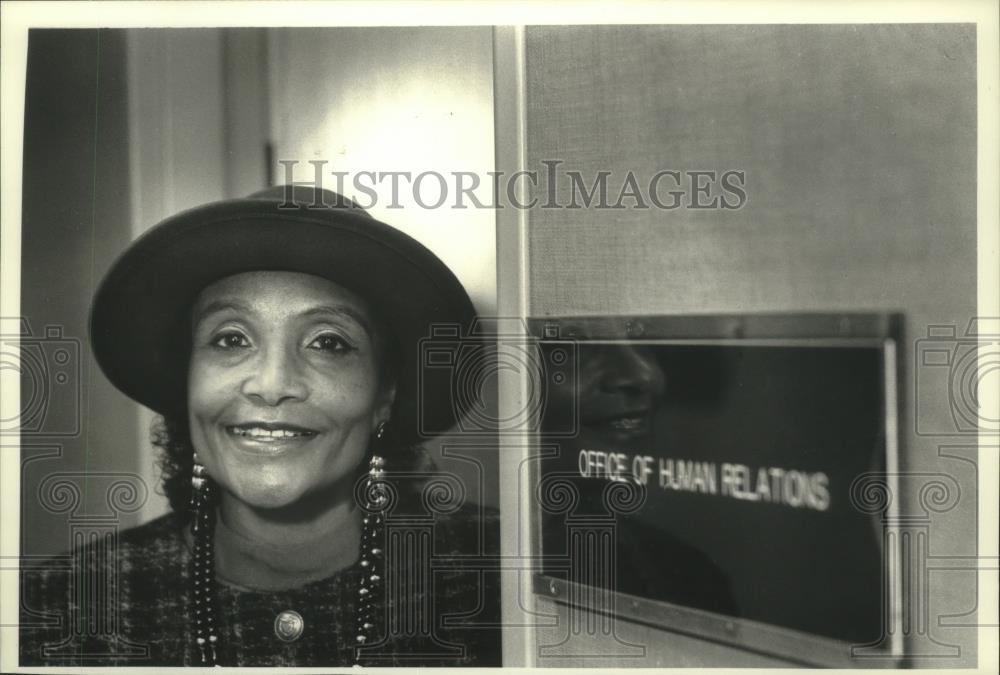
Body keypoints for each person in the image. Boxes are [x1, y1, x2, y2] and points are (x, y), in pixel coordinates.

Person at [19, 186, 501, 667]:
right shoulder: (56, 610)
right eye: (231, 339)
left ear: (384, 395)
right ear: (188, 378)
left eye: (328, 343)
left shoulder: (500, 576)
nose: (272, 385)